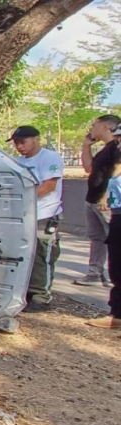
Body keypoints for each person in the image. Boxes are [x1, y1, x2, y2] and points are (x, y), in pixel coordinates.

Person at [10, 125, 64, 312]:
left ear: (36, 139)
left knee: (43, 255)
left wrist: (25, 198)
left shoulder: (49, 158)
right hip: (24, 215)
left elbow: (49, 185)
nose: (19, 146)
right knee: (25, 254)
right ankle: (26, 291)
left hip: (45, 213)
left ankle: (42, 295)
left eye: (22, 142)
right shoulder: (18, 161)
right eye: (16, 143)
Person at [75, 115, 121, 287]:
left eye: (95, 125)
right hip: (92, 198)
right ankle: (95, 273)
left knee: (114, 237)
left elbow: (118, 170)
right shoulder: (105, 149)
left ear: (105, 127)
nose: (92, 128)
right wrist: (86, 146)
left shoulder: (117, 147)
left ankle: (115, 276)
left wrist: (106, 194)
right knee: (97, 237)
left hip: (106, 201)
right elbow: (88, 168)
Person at [88, 126, 121, 329]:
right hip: (118, 214)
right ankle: (117, 315)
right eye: (117, 140)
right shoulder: (116, 166)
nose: (119, 144)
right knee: (117, 266)